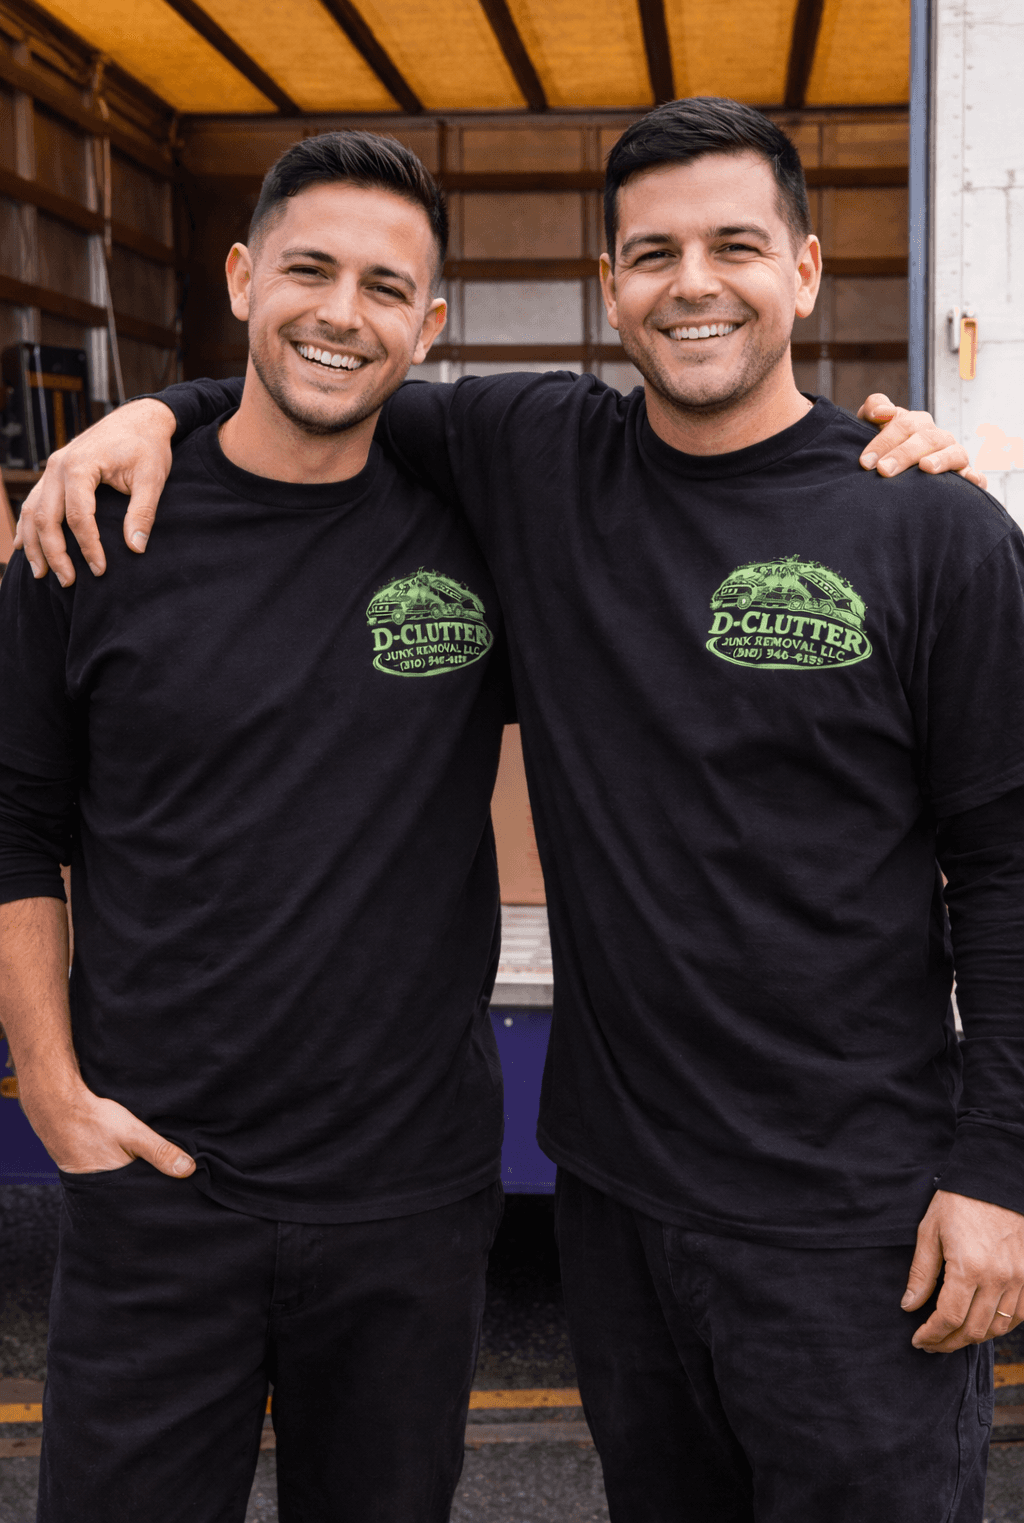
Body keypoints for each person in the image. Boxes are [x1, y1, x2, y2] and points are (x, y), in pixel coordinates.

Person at [16, 99, 1022, 1521]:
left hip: (856, 1229)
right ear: (610, 287)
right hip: (618, 1204)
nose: (693, 282)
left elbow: (1006, 863)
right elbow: (312, 390)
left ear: (804, 270)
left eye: (735, 245)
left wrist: (1001, 1171)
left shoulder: (930, 529)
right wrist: (148, 413)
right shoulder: (542, 460)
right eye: (653, 251)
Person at [0, 132, 513, 1523]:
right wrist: (49, 1090)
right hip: (158, 1186)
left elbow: (701, 480)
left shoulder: (484, 522)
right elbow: (15, 824)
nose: (343, 312)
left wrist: (917, 458)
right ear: (239, 276)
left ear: (430, 322)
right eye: (308, 269)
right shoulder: (95, 531)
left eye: (384, 286)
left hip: (410, 1196)